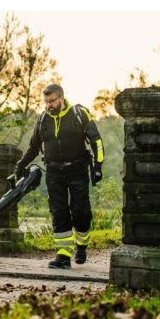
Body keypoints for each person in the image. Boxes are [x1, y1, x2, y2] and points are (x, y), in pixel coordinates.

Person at [13, 84, 104, 269]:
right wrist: (21, 165)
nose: (48, 105)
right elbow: (34, 147)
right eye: (46, 102)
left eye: (52, 101)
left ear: (61, 98)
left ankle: (81, 246)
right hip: (54, 172)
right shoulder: (42, 120)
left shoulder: (79, 114)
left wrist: (97, 166)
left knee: (80, 212)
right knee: (59, 213)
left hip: (77, 170)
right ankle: (63, 256)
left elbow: (97, 141)